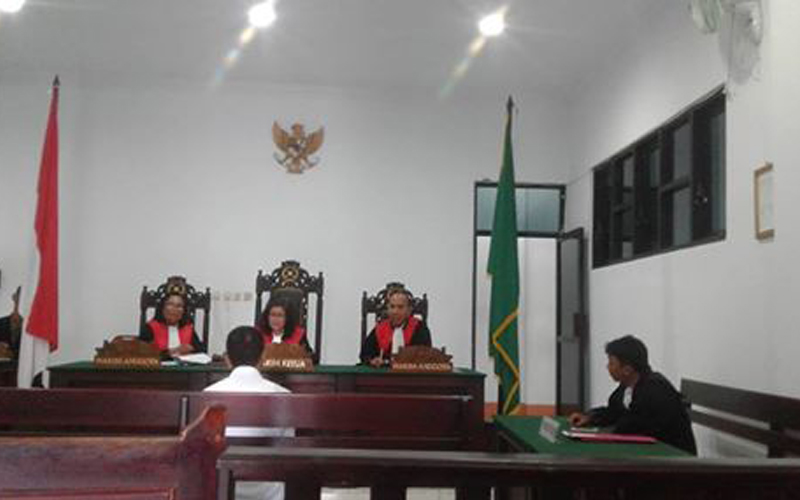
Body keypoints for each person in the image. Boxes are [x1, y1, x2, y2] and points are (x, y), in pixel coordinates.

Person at [568, 335, 697, 454]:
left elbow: (629, 426)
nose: (607, 367)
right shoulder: (628, 385)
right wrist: (590, 417)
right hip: (648, 451)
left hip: (674, 459)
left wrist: (605, 428)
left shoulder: (654, 389)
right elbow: (614, 411)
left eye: (612, 363)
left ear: (627, 370)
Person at [205, 326, 290, 500]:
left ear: (227, 359)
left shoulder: (207, 396)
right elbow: (286, 450)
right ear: (263, 357)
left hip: (220, 489)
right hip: (270, 492)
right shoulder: (284, 396)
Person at [359, 288, 431, 366]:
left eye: (400, 307)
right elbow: (365, 355)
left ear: (409, 310)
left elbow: (426, 357)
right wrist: (372, 360)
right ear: (387, 309)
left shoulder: (419, 328)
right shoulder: (380, 328)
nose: (395, 312)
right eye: (392, 307)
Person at [139, 291, 204, 357]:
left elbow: (201, 351)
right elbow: (141, 354)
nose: (174, 309)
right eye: (170, 304)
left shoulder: (188, 329)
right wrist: (169, 352)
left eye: (179, 306)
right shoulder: (150, 328)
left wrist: (191, 349)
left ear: (184, 311)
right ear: (162, 308)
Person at [0, 286, 23, 359]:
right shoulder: (1, 323)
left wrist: (11, 354)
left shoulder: (33, 331)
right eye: (19, 298)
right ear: (14, 298)